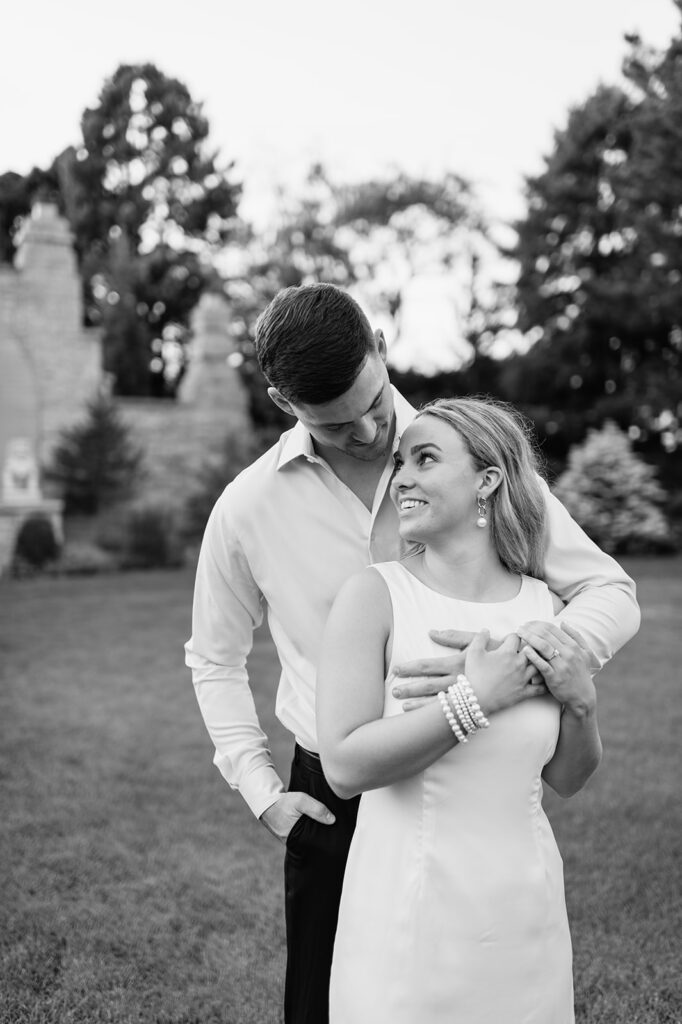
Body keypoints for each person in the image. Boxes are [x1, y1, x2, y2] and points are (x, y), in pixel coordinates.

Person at [184, 283, 639, 1024]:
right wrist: (262, 792)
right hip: (337, 789)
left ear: (382, 352)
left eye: (372, 402)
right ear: (280, 400)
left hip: (477, 781)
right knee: (325, 1003)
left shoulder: (469, 459)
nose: (368, 432)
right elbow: (214, 656)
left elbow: (610, 593)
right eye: (336, 423)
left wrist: (519, 665)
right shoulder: (248, 507)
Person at [317, 397, 603, 1023]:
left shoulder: (544, 606)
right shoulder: (374, 596)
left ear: (488, 480)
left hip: (524, 908)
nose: (402, 479)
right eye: (400, 464)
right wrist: (477, 700)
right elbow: (342, 765)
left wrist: (581, 705)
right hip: (412, 911)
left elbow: (566, 778)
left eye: (425, 459)